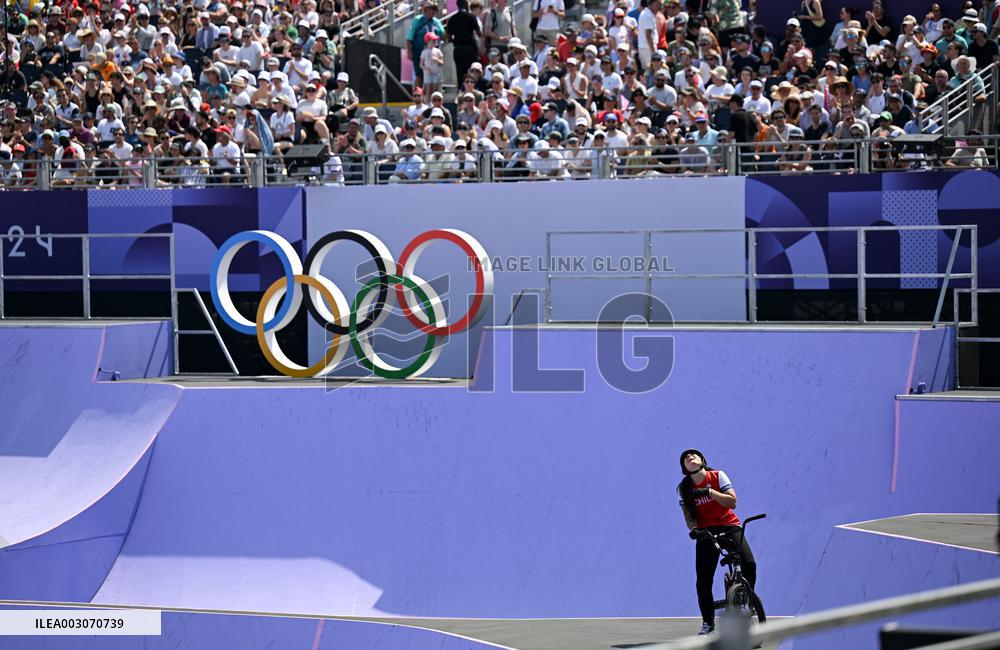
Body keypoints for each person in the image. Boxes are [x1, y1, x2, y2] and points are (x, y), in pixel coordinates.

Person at [677, 449, 757, 636]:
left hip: (728, 525)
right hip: (706, 532)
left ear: (702, 460)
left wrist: (711, 492)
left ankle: (747, 603)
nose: (690, 458)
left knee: (749, 564)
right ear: (684, 468)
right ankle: (708, 623)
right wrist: (694, 530)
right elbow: (688, 515)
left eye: (693, 456)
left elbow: (732, 502)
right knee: (703, 580)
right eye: (686, 459)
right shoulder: (685, 488)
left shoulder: (718, 476)